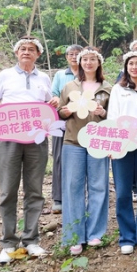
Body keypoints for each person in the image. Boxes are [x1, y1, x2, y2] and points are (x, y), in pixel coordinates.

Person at [0, 36, 53, 263]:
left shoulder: (44, 77)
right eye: (22, 49)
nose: (26, 52)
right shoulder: (5, 75)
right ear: (16, 53)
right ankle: (8, 242)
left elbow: (48, 103)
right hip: (8, 137)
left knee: (34, 190)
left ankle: (31, 240)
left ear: (38, 54)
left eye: (31, 49)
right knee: (8, 190)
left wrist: (53, 103)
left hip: (37, 138)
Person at [56, 47, 112, 256]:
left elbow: (113, 117)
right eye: (85, 59)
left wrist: (103, 112)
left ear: (99, 63)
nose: (88, 63)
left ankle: (95, 233)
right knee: (73, 188)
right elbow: (60, 112)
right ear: (79, 63)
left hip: (99, 142)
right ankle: (74, 236)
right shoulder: (70, 86)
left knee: (99, 186)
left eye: (93, 59)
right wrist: (66, 110)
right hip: (73, 141)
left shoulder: (108, 88)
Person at [107, 50, 137, 254]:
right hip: (122, 146)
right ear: (126, 67)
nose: (134, 67)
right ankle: (126, 236)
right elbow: (112, 117)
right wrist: (112, 143)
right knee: (122, 193)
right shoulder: (118, 89)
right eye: (131, 64)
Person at [48, 44, 83, 215]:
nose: (74, 57)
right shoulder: (61, 75)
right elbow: (53, 94)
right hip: (61, 122)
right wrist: (57, 101)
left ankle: (80, 195)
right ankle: (58, 198)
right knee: (59, 158)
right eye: (71, 54)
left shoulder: (88, 74)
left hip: (83, 123)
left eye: (78, 54)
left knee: (81, 159)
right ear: (66, 57)